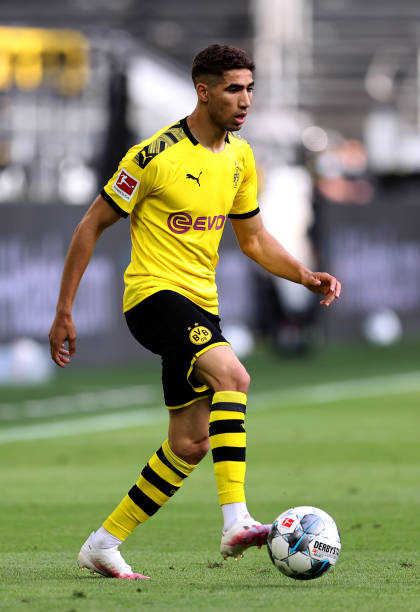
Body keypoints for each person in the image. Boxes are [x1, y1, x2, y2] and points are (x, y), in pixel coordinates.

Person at [49, 44, 341, 580]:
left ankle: (103, 543)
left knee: (189, 444)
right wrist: (64, 310)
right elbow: (89, 225)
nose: (245, 99)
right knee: (235, 374)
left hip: (201, 306)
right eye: (234, 88)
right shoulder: (153, 155)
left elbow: (253, 240)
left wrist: (303, 274)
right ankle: (236, 519)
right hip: (153, 298)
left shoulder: (240, 157)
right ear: (203, 91)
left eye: (250, 88)